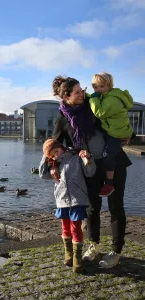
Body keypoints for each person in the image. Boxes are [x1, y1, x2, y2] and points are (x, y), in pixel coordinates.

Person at [45, 75, 132, 269]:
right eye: (78, 92)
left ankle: (116, 251)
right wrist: (52, 166)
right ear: (66, 97)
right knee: (92, 208)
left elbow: (118, 120)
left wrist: (129, 136)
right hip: (89, 168)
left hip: (114, 162)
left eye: (82, 89)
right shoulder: (63, 120)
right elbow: (53, 146)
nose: (83, 93)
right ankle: (94, 245)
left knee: (116, 206)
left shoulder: (94, 107)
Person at [43, 138, 96, 273]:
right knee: (65, 228)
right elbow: (41, 174)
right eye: (52, 155)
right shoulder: (54, 166)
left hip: (77, 199)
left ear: (61, 147)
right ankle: (69, 255)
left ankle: (77, 260)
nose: (56, 155)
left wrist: (89, 158)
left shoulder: (76, 158)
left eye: (56, 151)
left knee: (76, 228)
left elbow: (90, 172)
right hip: (62, 200)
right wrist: (46, 157)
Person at [90, 72, 133, 197]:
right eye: (95, 87)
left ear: (109, 85)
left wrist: (93, 97)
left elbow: (100, 112)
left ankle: (109, 183)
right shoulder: (107, 96)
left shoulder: (112, 99)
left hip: (116, 133)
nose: (98, 90)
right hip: (115, 130)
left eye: (101, 87)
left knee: (107, 155)